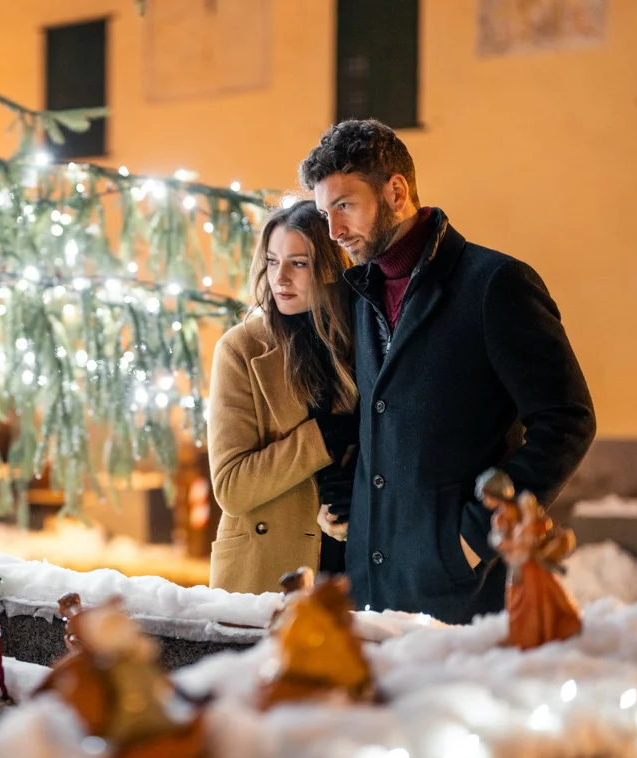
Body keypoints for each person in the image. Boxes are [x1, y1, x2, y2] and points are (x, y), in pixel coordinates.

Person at [299, 119, 596, 624]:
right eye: (326, 212)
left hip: (461, 592)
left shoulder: (495, 285)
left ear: (396, 191)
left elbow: (567, 421)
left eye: (344, 206)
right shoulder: (362, 294)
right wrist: (351, 500)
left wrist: (476, 537)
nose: (334, 231)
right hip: (371, 589)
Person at [207, 200, 359, 594]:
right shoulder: (241, 349)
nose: (281, 278)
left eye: (299, 263)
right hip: (266, 571)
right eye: (273, 261)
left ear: (330, 267)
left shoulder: (364, 343)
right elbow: (231, 487)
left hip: (354, 566)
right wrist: (321, 438)